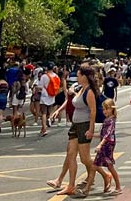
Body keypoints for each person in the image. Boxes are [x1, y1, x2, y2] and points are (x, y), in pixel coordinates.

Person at [58, 66, 98, 197]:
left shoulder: (89, 91)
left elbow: (93, 111)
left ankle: (105, 175)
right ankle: (71, 185)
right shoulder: (80, 89)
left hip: (84, 125)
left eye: (79, 75)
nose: (77, 77)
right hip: (75, 125)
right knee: (71, 154)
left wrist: (91, 129)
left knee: (85, 158)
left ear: (85, 77)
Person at [84, 99, 121, 196]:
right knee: (94, 166)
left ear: (112, 109)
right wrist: (92, 135)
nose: (105, 111)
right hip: (104, 144)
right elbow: (102, 134)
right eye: (104, 109)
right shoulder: (106, 120)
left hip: (108, 145)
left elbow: (108, 134)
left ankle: (118, 187)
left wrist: (100, 144)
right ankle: (86, 190)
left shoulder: (111, 120)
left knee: (110, 166)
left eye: (107, 109)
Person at [39, 63, 60, 137]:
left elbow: (40, 87)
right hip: (52, 96)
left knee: (43, 113)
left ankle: (44, 129)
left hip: (44, 95)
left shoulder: (44, 76)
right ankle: (49, 119)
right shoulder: (56, 76)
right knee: (49, 111)